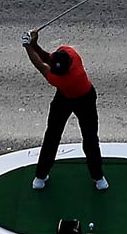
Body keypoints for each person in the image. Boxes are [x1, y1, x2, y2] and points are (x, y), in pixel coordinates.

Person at [24, 33, 108, 191]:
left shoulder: (63, 78)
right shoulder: (67, 53)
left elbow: (40, 64)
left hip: (84, 100)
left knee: (89, 138)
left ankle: (98, 177)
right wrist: (35, 44)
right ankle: (41, 175)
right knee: (52, 135)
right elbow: (47, 57)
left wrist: (27, 46)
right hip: (64, 96)